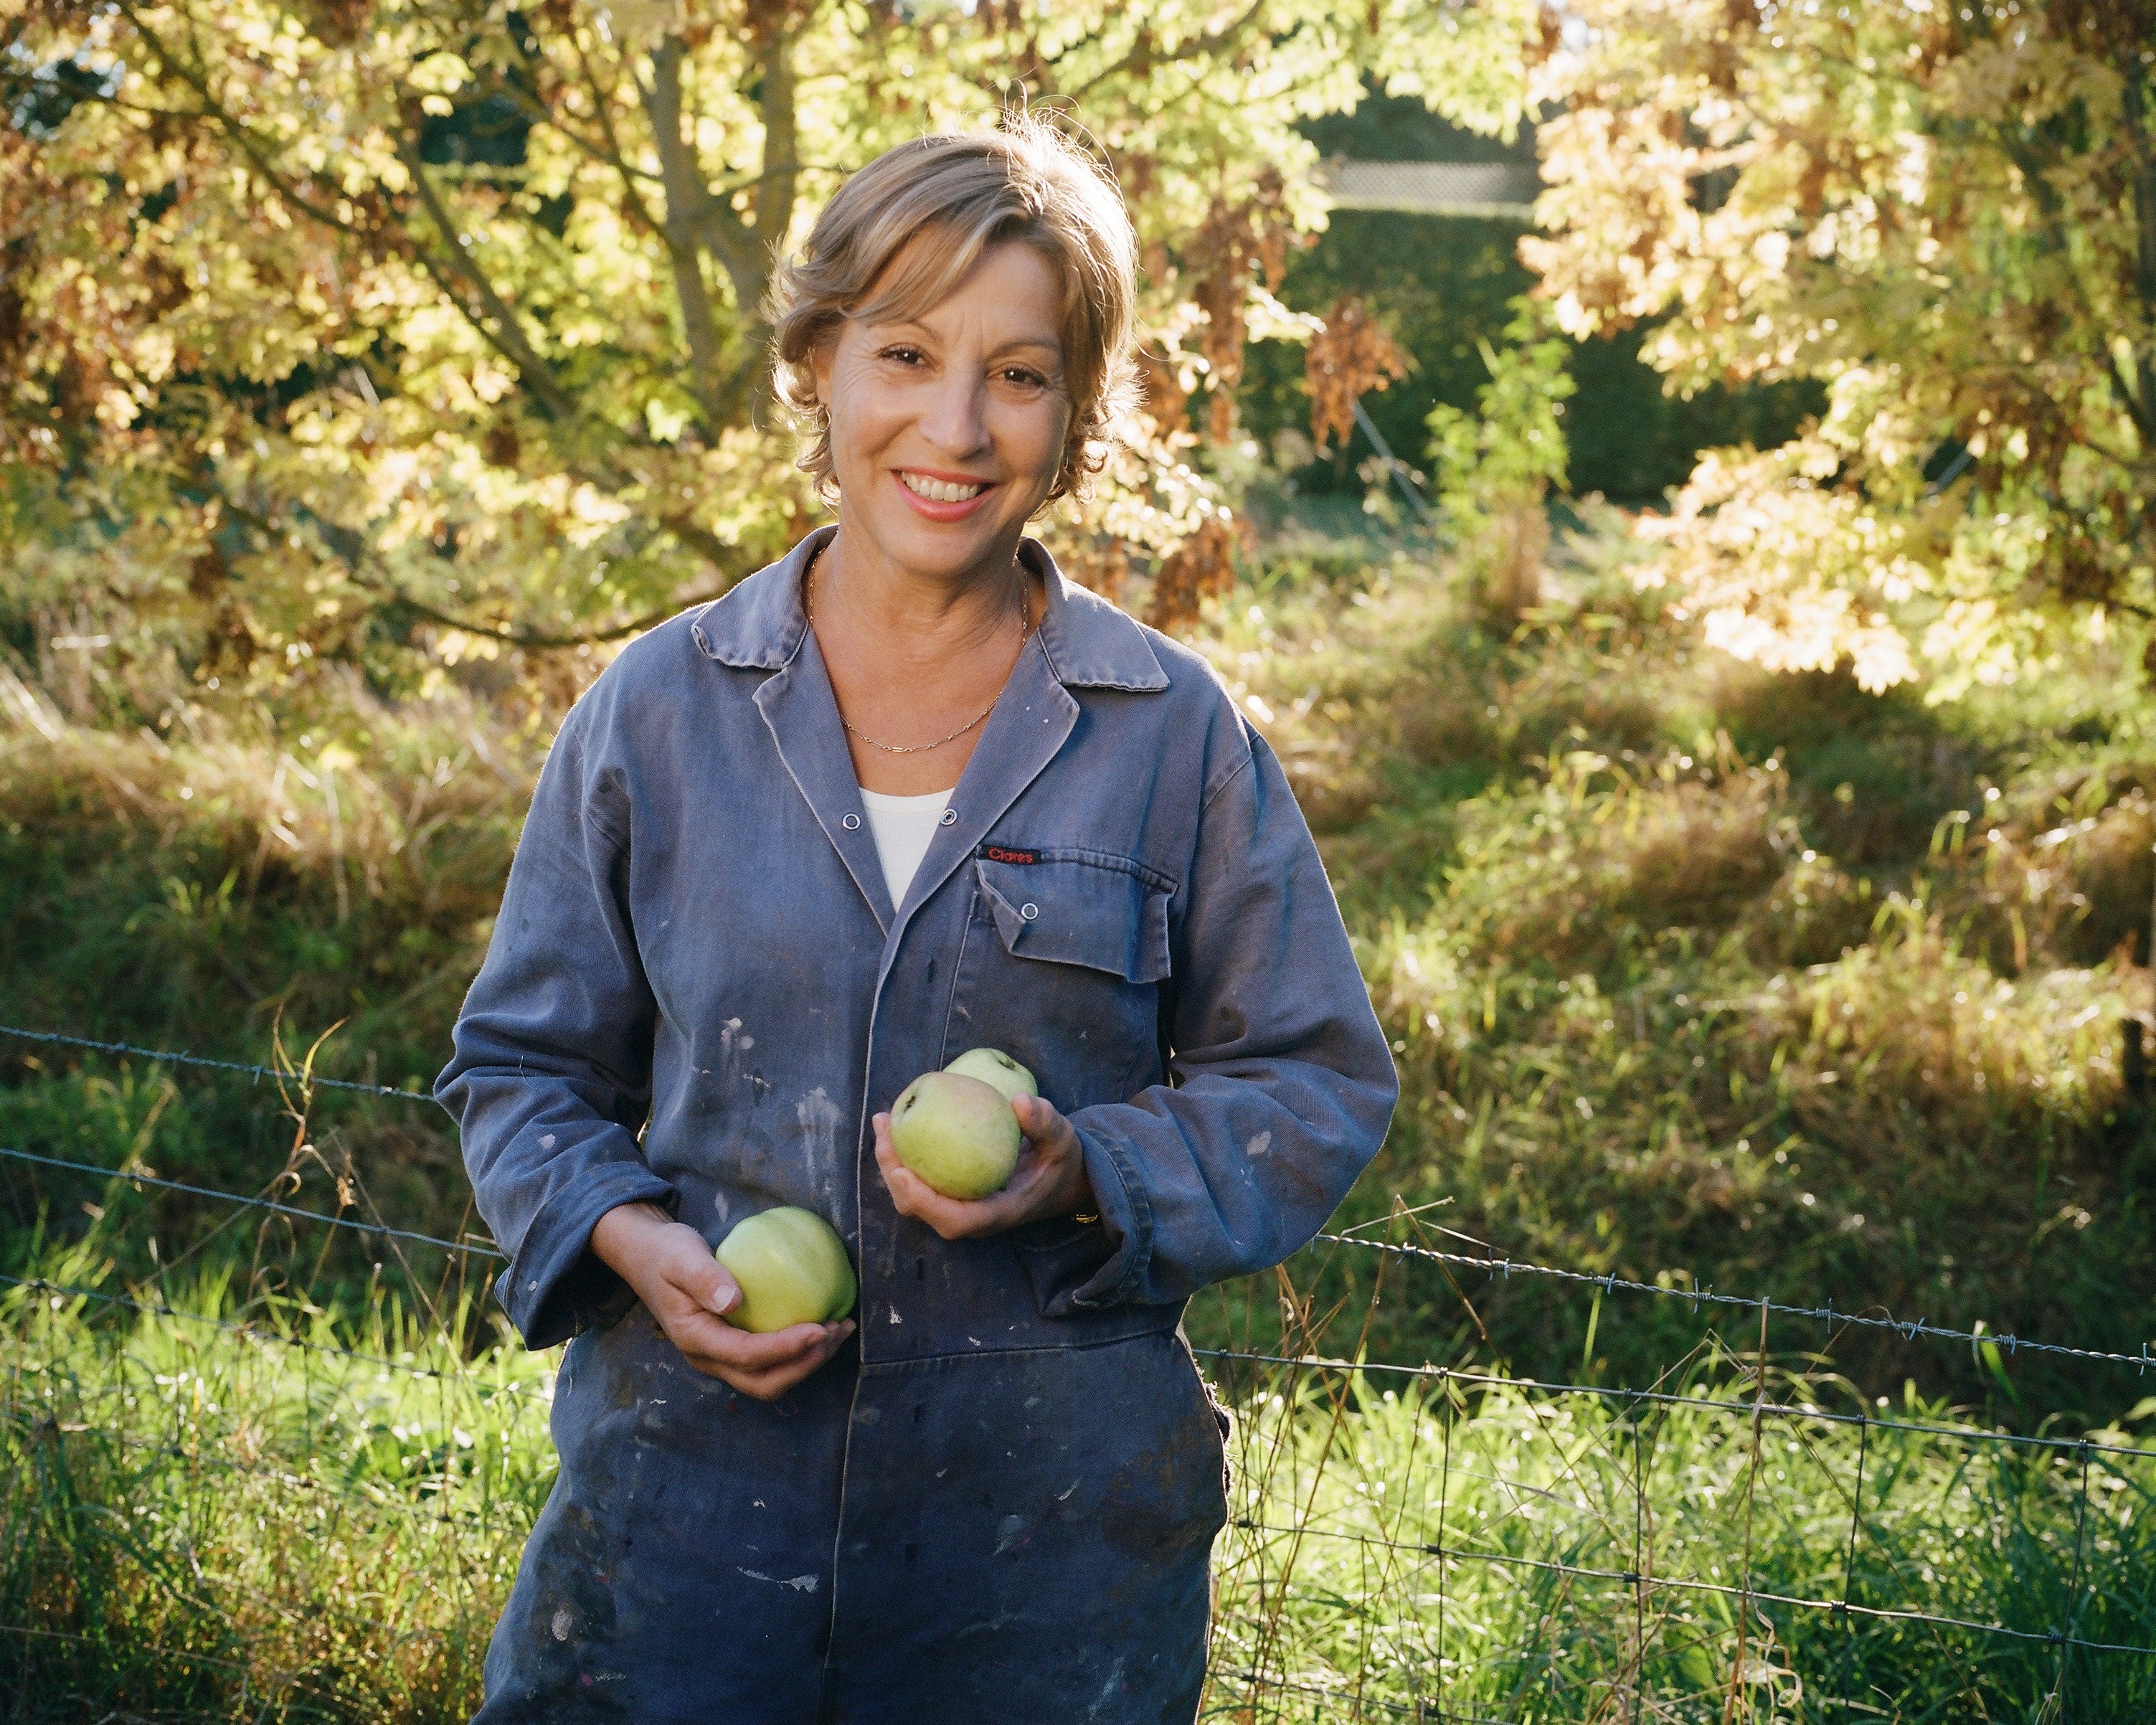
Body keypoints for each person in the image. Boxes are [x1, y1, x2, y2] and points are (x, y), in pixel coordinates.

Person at [435, 117, 1397, 1724]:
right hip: (676, 1563)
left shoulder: (1171, 734)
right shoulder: (657, 714)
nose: (954, 425)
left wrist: (1092, 1166)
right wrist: (627, 1235)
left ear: (1079, 417)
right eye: (903, 351)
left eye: (1018, 374)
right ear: (816, 364)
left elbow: (1312, 1083)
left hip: (1041, 1583)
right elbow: (519, 1068)